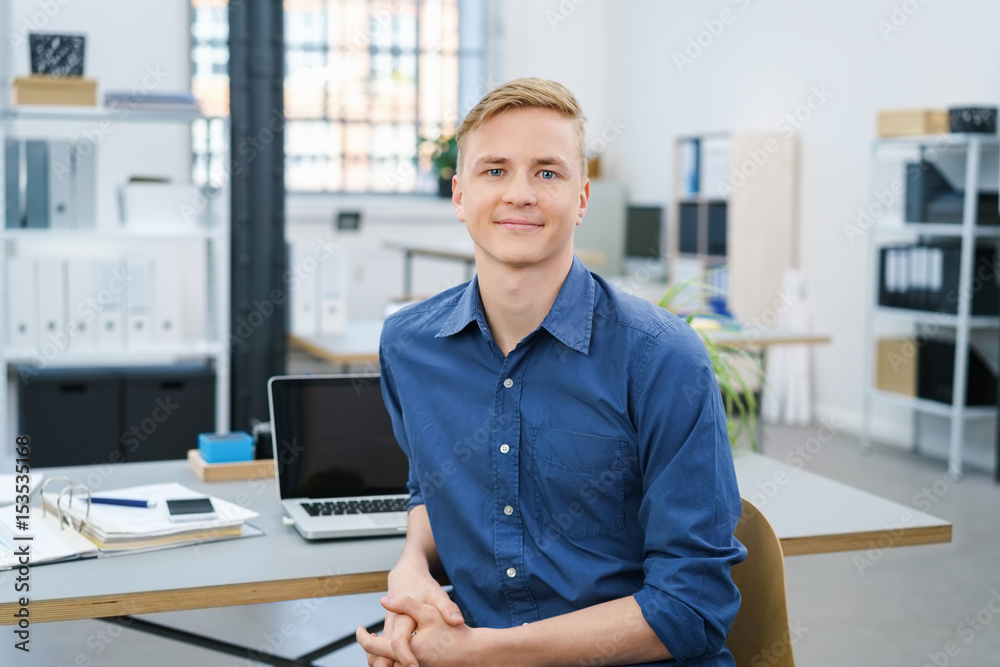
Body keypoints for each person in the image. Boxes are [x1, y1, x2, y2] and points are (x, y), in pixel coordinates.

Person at [356, 77, 746, 667]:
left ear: (582, 198)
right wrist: (412, 564)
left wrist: (480, 654)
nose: (520, 193)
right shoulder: (408, 345)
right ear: (459, 195)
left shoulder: (663, 358)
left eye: (547, 172)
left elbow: (694, 607)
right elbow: (428, 485)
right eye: (494, 171)